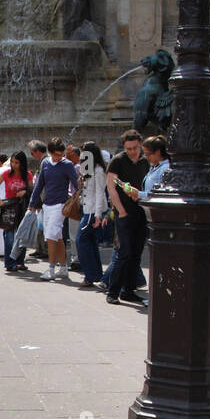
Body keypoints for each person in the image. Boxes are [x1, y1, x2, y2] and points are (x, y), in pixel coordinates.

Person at [105, 129, 152, 306]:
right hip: (124, 213)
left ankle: (129, 290)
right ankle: (113, 290)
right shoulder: (117, 161)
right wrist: (121, 211)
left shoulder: (145, 161)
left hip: (141, 212)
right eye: (129, 148)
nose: (132, 151)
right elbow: (111, 188)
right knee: (124, 252)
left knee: (136, 253)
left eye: (135, 147)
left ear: (140, 145)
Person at [28, 137, 79, 282]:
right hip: (47, 204)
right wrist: (32, 202)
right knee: (57, 237)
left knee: (50, 236)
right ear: (50, 153)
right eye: (56, 154)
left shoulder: (67, 165)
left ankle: (51, 268)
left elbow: (76, 184)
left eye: (61, 155)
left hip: (61, 205)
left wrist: (75, 200)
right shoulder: (45, 163)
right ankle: (63, 267)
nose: (58, 157)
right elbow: (39, 184)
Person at [75, 140, 111, 288]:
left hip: (93, 211)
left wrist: (97, 215)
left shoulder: (98, 171)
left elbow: (99, 193)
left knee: (81, 240)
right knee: (89, 242)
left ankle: (91, 274)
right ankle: (94, 274)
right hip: (87, 208)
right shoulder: (88, 167)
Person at [0, 151, 32, 273]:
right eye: (12, 162)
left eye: (16, 162)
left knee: (22, 234)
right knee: (9, 235)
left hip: (23, 206)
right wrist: (0, 201)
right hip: (9, 206)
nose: (14, 165)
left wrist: (25, 192)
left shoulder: (28, 174)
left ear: (22, 163)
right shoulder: (6, 173)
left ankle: (20, 261)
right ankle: (10, 262)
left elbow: (32, 189)